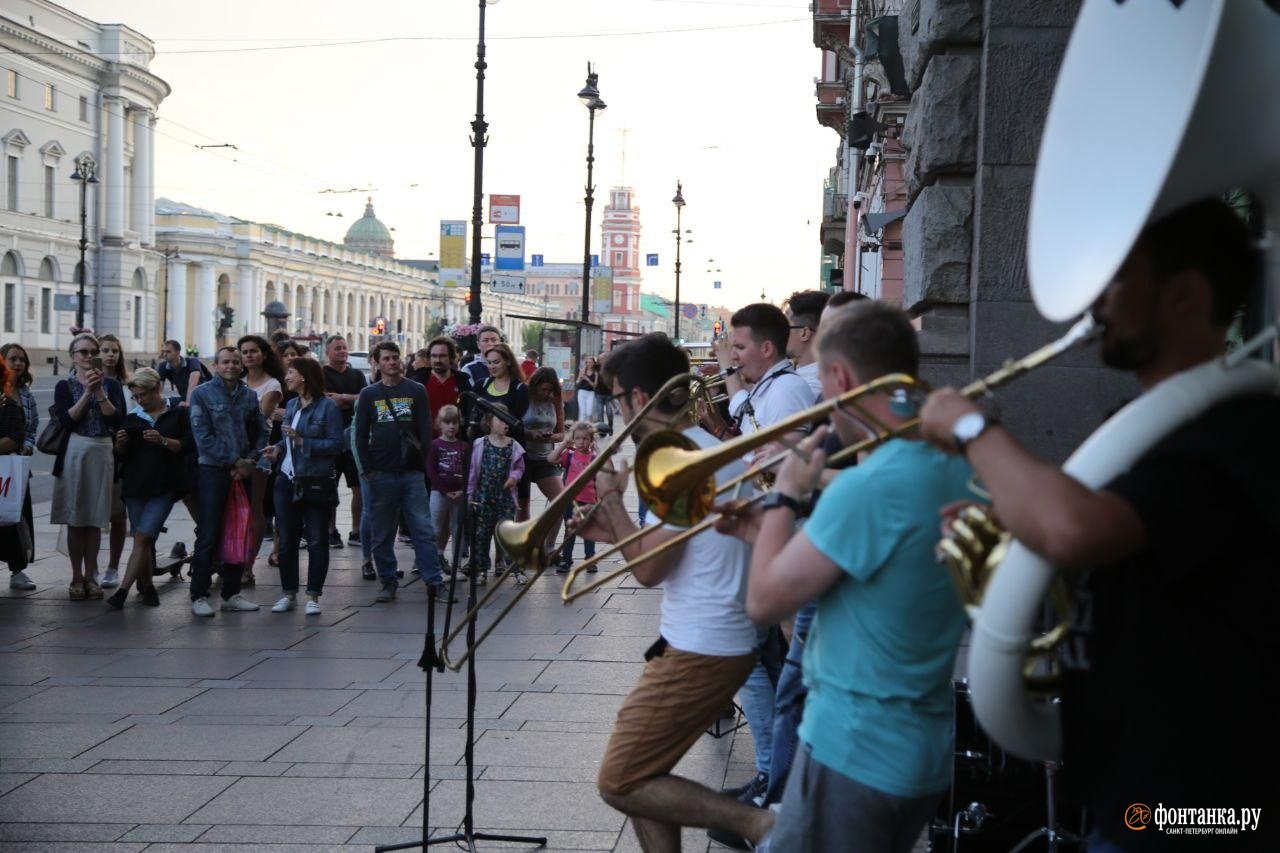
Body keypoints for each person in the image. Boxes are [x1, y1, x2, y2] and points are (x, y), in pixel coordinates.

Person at [920, 199, 1277, 853]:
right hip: (1138, 795)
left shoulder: (1241, 428)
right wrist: (1010, 521)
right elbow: (1108, 539)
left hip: (1208, 813)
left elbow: (1074, 530)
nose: (1095, 301)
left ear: (1185, 295)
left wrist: (972, 426)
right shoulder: (1151, 427)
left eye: (1117, 278)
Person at [715, 302, 972, 852]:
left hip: (854, 748)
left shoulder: (867, 487)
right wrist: (763, 535)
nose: (826, 411)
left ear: (842, 378)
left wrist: (786, 495)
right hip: (919, 747)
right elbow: (877, 569)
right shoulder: (957, 466)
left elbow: (761, 601)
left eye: (827, 395)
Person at [569, 333, 772, 850]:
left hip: (705, 645)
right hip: (703, 638)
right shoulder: (700, 449)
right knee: (646, 773)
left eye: (614, 398)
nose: (613, 411)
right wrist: (611, 529)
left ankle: (759, 824)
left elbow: (650, 570)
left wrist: (611, 499)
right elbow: (674, 549)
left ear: (638, 399)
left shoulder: (677, 462)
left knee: (621, 780)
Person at [723, 302, 817, 807]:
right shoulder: (769, 388)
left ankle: (778, 778)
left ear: (766, 348)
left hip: (783, 525)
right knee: (763, 652)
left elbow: (777, 462)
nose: (732, 358)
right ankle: (772, 771)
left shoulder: (787, 389)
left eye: (739, 348)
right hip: (765, 524)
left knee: (779, 655)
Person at [353, 341, 452, 603]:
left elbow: (425, 429)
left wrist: (424, 466)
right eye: (386, 358)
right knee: (382, 532)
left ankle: (434, 581)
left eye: (395, 357)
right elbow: (360, 435)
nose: (392, 362)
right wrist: (367, 470)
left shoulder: (416, 390)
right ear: (376, 363)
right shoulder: (369, 394)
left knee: (423, 529)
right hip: (381, 473)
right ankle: (388, 580)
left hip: (411, 474)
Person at [187, 346, 269, 617]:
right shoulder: (202, 393)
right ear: (216, 364)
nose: (232, 366)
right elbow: (203, 437)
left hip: (243, 472)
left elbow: (261, 430)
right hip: (213, 470)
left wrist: (250, 461)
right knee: (209, 532)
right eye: (226, 362)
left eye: (236, 361)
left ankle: (231, 593)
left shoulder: (248, 395)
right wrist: (236, 461)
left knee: (239, 529)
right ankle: (199, 594)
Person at [263, 357, 342, 615]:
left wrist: (302, 442)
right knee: (286, 540)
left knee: (317, 539)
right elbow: (288, 441)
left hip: (314, 481)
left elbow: (335, 445)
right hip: (286, 479)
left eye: (291, 373)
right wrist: (276, 449)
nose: (286, 377)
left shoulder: (327, 407)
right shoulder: (293, 404)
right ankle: (288, 593)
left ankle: (313, 596)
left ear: (304, 376)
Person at [109, 368, 191, 609]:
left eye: (144, 395)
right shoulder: (134, 416)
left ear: (157, 389)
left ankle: (122, 591)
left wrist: (163, 440)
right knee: (141, 539)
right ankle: (148, 587)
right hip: (135, 485)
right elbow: (120, 455)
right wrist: (120, 445)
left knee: (144, 536)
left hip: (165, 486)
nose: (140, 400)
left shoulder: (177, 413)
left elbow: (187, 446)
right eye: (136, 396)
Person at [51, 334, 125, 600]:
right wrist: (86, 393)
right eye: (82, 352)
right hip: (75, 450)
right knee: (75, 517)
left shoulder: (113, 385)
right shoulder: (65, 385)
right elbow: (68, 421)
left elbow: (116, 420)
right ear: (72, 355)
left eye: (92, 352)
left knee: (95, 518)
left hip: (103, 449)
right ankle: (76, 576)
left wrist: (101, 392)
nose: (88, 356)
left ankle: (91, 575)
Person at [238, 334, 284, 586]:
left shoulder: (272, 385)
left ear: (263, 354)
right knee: (234, 509)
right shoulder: (237, 380)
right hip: (233, 451)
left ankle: (247, 566)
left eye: (253, 351)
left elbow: (260, 416)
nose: (248, 356)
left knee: (254, 509)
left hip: (258, 451)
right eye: (244, 352)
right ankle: (230, 560)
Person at [465, 403, 524, 587]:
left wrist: (514, 477)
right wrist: (469, 496)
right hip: (483, 497)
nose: (506, 423)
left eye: (507, 419)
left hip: (504, 498)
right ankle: (482, 570)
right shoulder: (479, 444)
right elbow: (473, 472)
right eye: (501, 418)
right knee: (481, 535)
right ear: (489, 422)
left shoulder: (514, 445)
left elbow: (520, 467)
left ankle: (517, 570)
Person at [323, 335, 368, 548]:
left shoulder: (357, 374)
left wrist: (343, 398)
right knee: (329, 487)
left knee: (357, 487)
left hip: (353, 439)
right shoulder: (321, 374)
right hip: (329, 439)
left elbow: (365, 398)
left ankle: (356, 530)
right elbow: (324, 400)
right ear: (327, 352)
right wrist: (350, 399)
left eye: (344, 347)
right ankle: (331, 530)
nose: (342, 351)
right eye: (337, 348)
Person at [98, 333, 130, 589]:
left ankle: (112, 566)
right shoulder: (82, 381)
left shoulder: (126, 383)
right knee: (93, 514)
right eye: (105, 350)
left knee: (118, 514)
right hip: (94, 452)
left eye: (114, 351)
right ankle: (92, 566)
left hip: (120, 454)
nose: (110, 354)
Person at [2, 343, 37, 585]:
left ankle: (18, 569)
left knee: (16, 516)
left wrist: (27, 444)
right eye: (12, 358)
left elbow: (31, 426)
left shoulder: (26, 394)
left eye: (21, 359)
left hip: (16, 464)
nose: (18, 363)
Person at [518, 367, 566, 525]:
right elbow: (513, 428)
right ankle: (523, 546)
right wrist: (530, 434)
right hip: (523, 457)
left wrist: (551, 438)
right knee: (522, 507)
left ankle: (548, 546)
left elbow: (562, 433)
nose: (546, 393)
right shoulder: (523, 397)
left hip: (545, 458)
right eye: (544, 389)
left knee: (561, 502)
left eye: (550, 390)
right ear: (535, 385)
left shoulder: (555, 400)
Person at [427, 404, 467, 577]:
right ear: (440, 424)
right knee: (435, 529)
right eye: (447, 422)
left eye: (455, 422)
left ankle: (456, 566)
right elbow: (430, 470)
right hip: (439, 493)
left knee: (458, 530)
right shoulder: (434, 445)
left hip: (459, 494)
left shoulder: (464, 446)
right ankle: (435, 565)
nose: (451, 426)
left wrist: (463, 490)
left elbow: (469, 471)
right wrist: (443, 490)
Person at [553, 420, 598, 574]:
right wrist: (563, 445)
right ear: (573, 439)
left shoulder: (594, 457)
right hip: (570, 499)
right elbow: (551, 459)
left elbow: (607, 465)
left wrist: (597, 448)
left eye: (585, 438)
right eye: (577, 438)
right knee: (569, 529)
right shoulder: (569, 455)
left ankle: (590, 559)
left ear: (591, 440)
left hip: (589, 499)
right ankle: (566, 559)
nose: (581, 442)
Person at [415, 336, 472, 434]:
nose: (437, 360)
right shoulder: (418, 381)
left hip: (455, 443)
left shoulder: (462, 382)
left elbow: (468, 411)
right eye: (434, 356)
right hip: (426, 443)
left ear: (451, 358)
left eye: (442, 356)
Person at [783, 290, 831, 399]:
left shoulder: (812, 387)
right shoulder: (797, 373)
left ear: (804, 333)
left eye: (785, 327)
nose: (779, 333)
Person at [576, 356, 600, 423]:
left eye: (591, 362)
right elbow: (577, 382)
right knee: (582, 412)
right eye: (588, 362)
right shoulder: (582, 371)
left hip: (590, 393)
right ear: (586, 363)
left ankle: (588, 425)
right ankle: (581, 427)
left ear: (594, 363)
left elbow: (595, 386)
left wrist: (587, 379)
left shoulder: (595, 373)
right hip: (581, 392)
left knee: (589, 413)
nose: (589, 364)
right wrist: (580, 378)